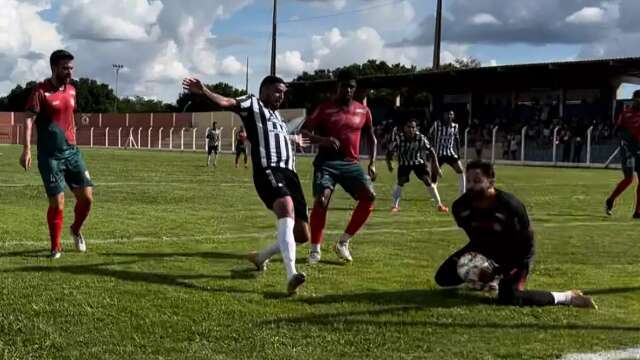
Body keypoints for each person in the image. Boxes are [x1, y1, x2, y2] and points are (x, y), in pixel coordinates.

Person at [182, 75, 310, 295]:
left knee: (302, 235)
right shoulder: (253, 103)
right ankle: (291, 275)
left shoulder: (277, 117)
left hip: (291, 174)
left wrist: (293, 139)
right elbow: (227, 102)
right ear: (265, 90)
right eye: (277, 91)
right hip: (269, 169)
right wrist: (204, 90)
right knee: (285, 207)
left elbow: (276, 135)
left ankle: (261, 257)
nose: (281, 96)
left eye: (283, 93)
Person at [434, 160, 597, 309]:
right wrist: (481, 264)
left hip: (517, 252)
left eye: (477, 181)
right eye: (468, 181)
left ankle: (568, 297)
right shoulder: (460, 207)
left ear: (491, 182)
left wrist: (498, 269)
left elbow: (525, 243)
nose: (470, 186)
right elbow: (476, 238)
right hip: (486, 246)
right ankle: (489, 281)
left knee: (509, 297)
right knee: (443, 277)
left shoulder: (510, 206)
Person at [19, 49, 93, 259]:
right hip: (50, 157)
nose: (69, 72)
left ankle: (76, 230)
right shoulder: (40, 91)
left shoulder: (72, 90)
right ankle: (55, 248)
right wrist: (26, 149)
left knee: (87, 199)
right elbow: (27, 119)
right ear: (54, 68)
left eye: (71, 68)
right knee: (57, 202)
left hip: (72, 154)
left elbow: (69, 116)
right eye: (65, 68)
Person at [301, 69, 377, 265]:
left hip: (351, 164)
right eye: (345, 86)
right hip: (326, 164)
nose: (348, 90)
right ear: (338, 87)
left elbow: (371, 137)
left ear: (355, 89)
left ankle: (343, 243)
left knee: (369, 197)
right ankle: (315, 250)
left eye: (352, 87)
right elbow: (304, 131)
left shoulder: (363, 111)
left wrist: (372, 162)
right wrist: (323, 140)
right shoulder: (324, 108)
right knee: (322, 200)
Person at [386, 118, 448, 213]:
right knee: (401, 181)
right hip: (404, 163)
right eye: (409, 127)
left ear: (416, 129)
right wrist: (389, 164)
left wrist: (437, 168)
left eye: (413, 127)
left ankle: (439, 205)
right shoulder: (399, 139)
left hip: (418, 162)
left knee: (427, 180)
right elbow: (389, 152)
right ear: (404, 128)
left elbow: (432, 151)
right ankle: (395, 206)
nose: (411, 129)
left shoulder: (421, 138)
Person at [606, 90, 640, 218]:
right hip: (627, 150)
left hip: (639, 149)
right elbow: (617, 131)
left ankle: (637, 212)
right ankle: (611, 199)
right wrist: (628, 138)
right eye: (637, 99)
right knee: (629, 179)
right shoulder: (626, 114)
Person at [429, 110, 466, 194]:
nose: (449, 116)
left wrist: (458, 152)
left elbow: (457, 139)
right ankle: (433, 194)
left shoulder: (455, 126)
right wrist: (431, 148)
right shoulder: (437, 124)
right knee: (434, 174)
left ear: (453, 116)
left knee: (460, 170)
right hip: (438, 154)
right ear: (444, 116)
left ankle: (463, 192)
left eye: (451, 114)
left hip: (450, 153)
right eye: (447, 114)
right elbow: (429, 134)